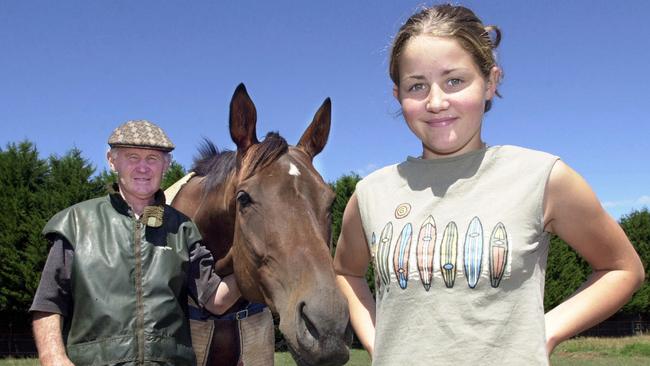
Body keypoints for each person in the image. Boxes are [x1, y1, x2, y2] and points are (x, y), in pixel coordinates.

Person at [333, 4, 644, 365]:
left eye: (455, 81)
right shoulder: (371, 193)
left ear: (490, 82)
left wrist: (546, 331)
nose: (436, 101)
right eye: (416, 86)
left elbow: (623, 268)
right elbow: (346, 272)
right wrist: (377, 340)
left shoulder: (543, 177)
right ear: (397, 96)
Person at [30, 120, 241, 366]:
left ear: (166, 165)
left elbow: (215, 300)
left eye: (152, 158)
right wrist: (53, 357)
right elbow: (48, 302)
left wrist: (249, 263)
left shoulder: (183, 229)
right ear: (112, 161)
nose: (143, 168)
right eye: (132, 157)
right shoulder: (75, 223)